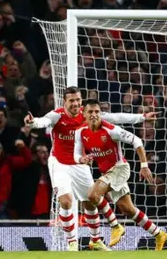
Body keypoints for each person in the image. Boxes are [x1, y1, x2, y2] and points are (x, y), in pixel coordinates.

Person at [24, 86, 158, 251]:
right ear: (64, 102)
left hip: (80, 163)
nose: (75, 103)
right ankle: (72, 242)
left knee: (90, 201)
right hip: (59, 163)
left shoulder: (87, 114)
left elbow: (115, 117)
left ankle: (95, 240)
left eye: (78, 100)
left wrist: (142, 117)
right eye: (71, 100)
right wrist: (33, 122)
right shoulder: (57, 115)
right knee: (66, 201)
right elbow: (43, 121)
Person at [74, 99, 167, 251]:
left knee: (92, 194)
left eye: (97, 112)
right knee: (128, 209)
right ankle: (159, 234)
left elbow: (137, 141)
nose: (94, 115)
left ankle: (116, 226)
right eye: (90, 112)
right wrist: (82, 159)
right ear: (83, 114)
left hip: (120, 168)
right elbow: (76, 154)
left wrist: (144, 166)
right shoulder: (80, 131)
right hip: (108, 172)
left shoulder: (111, 130)